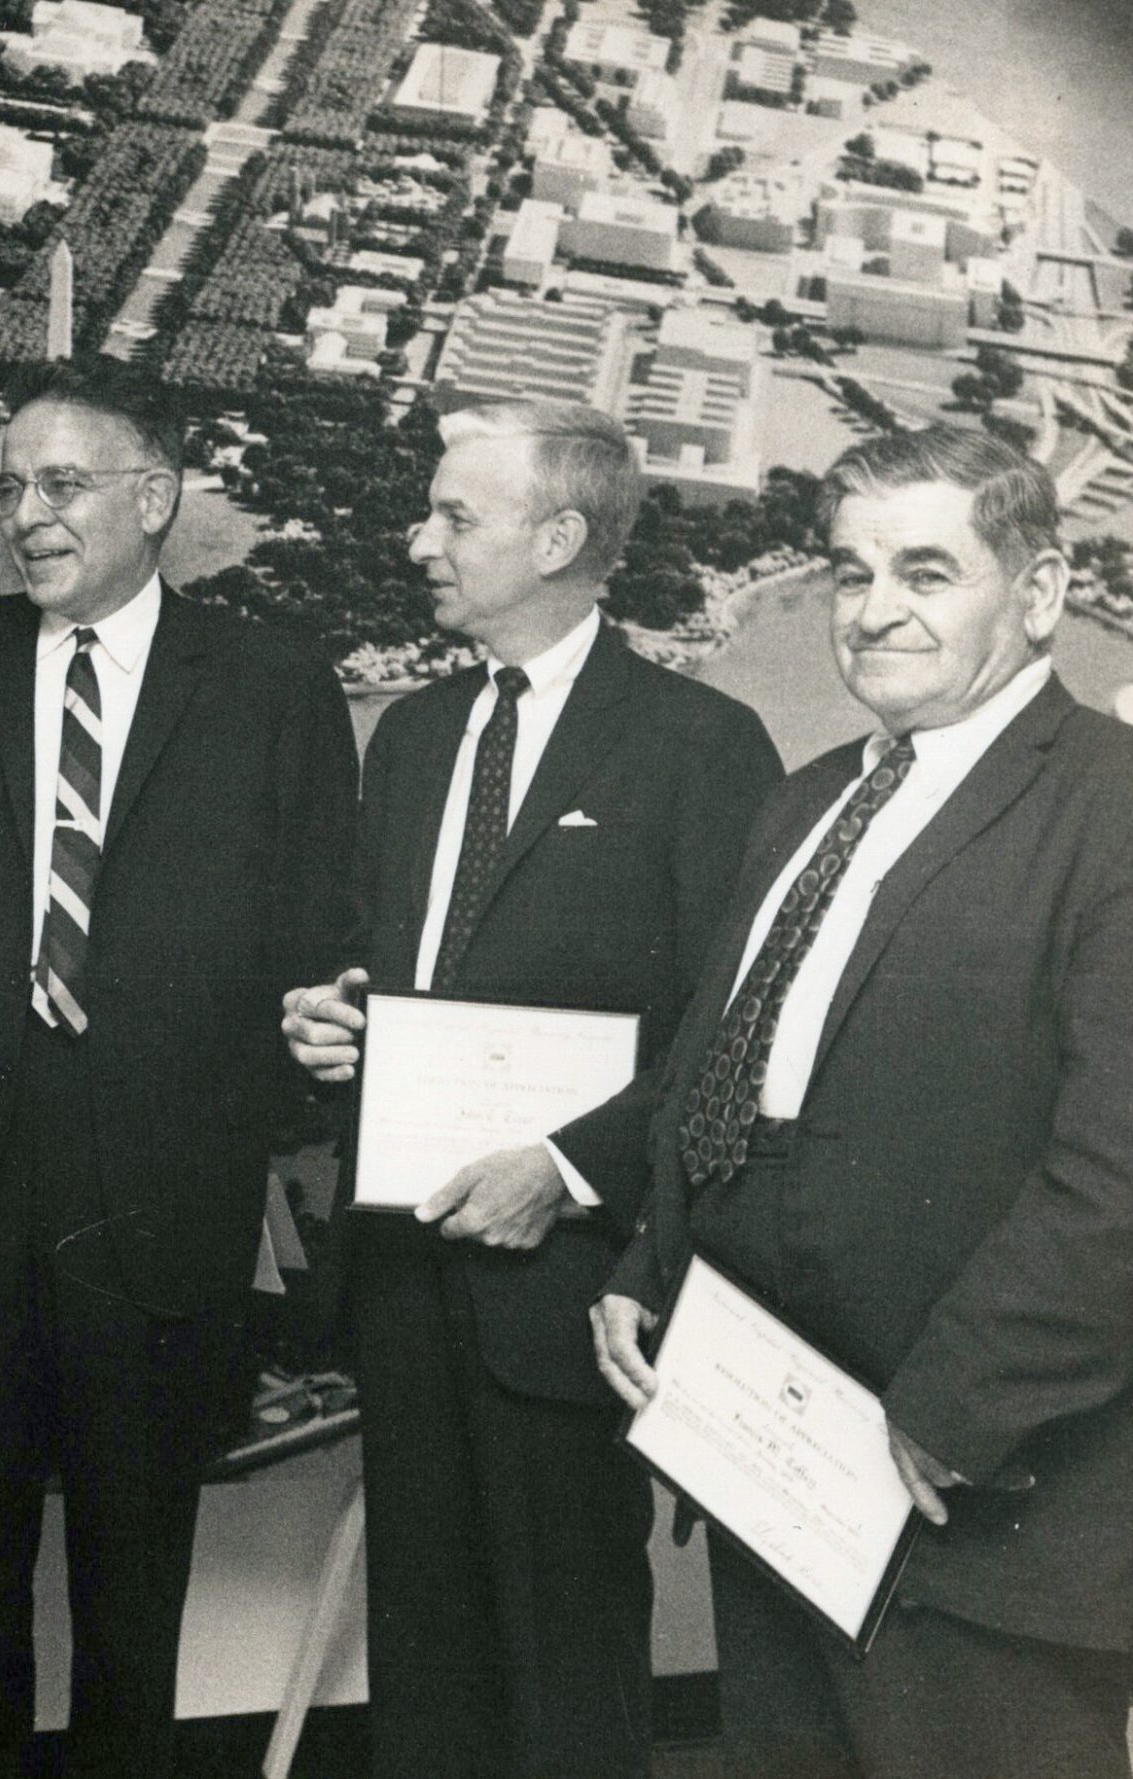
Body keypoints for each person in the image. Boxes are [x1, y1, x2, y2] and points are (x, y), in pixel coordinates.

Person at [0, 359, 361, 1777]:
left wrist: (254, 1112)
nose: (26, 515)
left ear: (155, 497)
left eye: (61, 484)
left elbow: (320, 947)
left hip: (162, 1213)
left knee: (137, 1601)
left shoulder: (273, 686)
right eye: (9, 487)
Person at [594, 427, 1133, 1779]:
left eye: (928, 571)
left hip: (977, 1505)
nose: (875, 609)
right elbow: (722, 1073)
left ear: (1043, 592)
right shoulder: (804, 801)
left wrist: (946, 1416)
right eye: (851, 572)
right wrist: (646, 1263)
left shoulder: (1114, 809)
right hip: (771, 1477)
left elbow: (1116, 1174)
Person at [280, 400, 780, 1779]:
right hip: (403, 1273)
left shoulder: (700, 745)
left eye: (454, 517)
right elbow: (401, 970)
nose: (418, 540)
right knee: (426, 1670)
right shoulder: (418, 736)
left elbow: (730, 1030)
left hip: (567, 1290)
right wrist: (340, 1021)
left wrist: (563, 1171)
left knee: (568, 1676)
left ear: (561, 539)